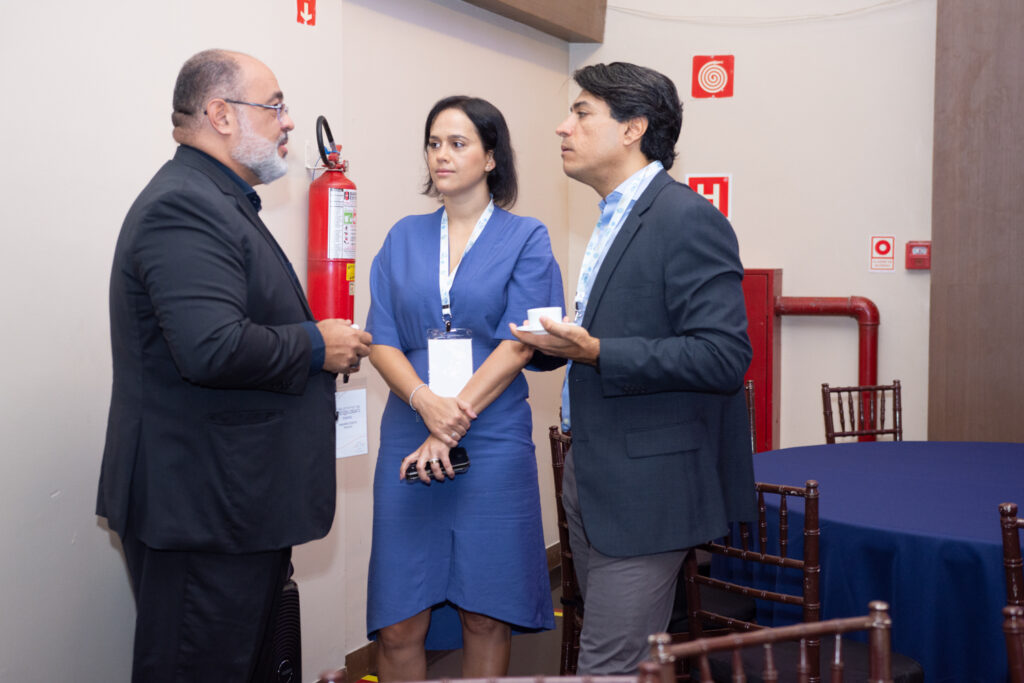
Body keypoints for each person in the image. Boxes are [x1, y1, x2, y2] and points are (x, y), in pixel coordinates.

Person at [96, 49, 372, 683]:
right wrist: (316, 345)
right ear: (220, 113)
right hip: (202, 510)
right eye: (274, 106)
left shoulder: (220, 199)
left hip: (230, 505)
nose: (289, 122)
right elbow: (211, 347)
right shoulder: (184, 206)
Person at [511, 62, 757, 675]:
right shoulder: (612, 216)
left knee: (607, 667)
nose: (562, 126)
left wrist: (596, 351)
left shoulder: (685, 218)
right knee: (637, 661)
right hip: (593, 474)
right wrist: (555, 347)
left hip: (650, 491)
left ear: (633, 129)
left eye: (583, 112)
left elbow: (724, 356)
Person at [365, 95, 563, 681]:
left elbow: (521, 341)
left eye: (457, 143)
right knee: (400, 618)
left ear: (491, 156)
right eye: (433, 143)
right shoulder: (403, 236)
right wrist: (426, 404)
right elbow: (380, 336)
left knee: (485, 612)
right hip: (410, 428)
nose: (441, 156)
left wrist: (455, 418)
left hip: (493, 434)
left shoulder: (526, 236)